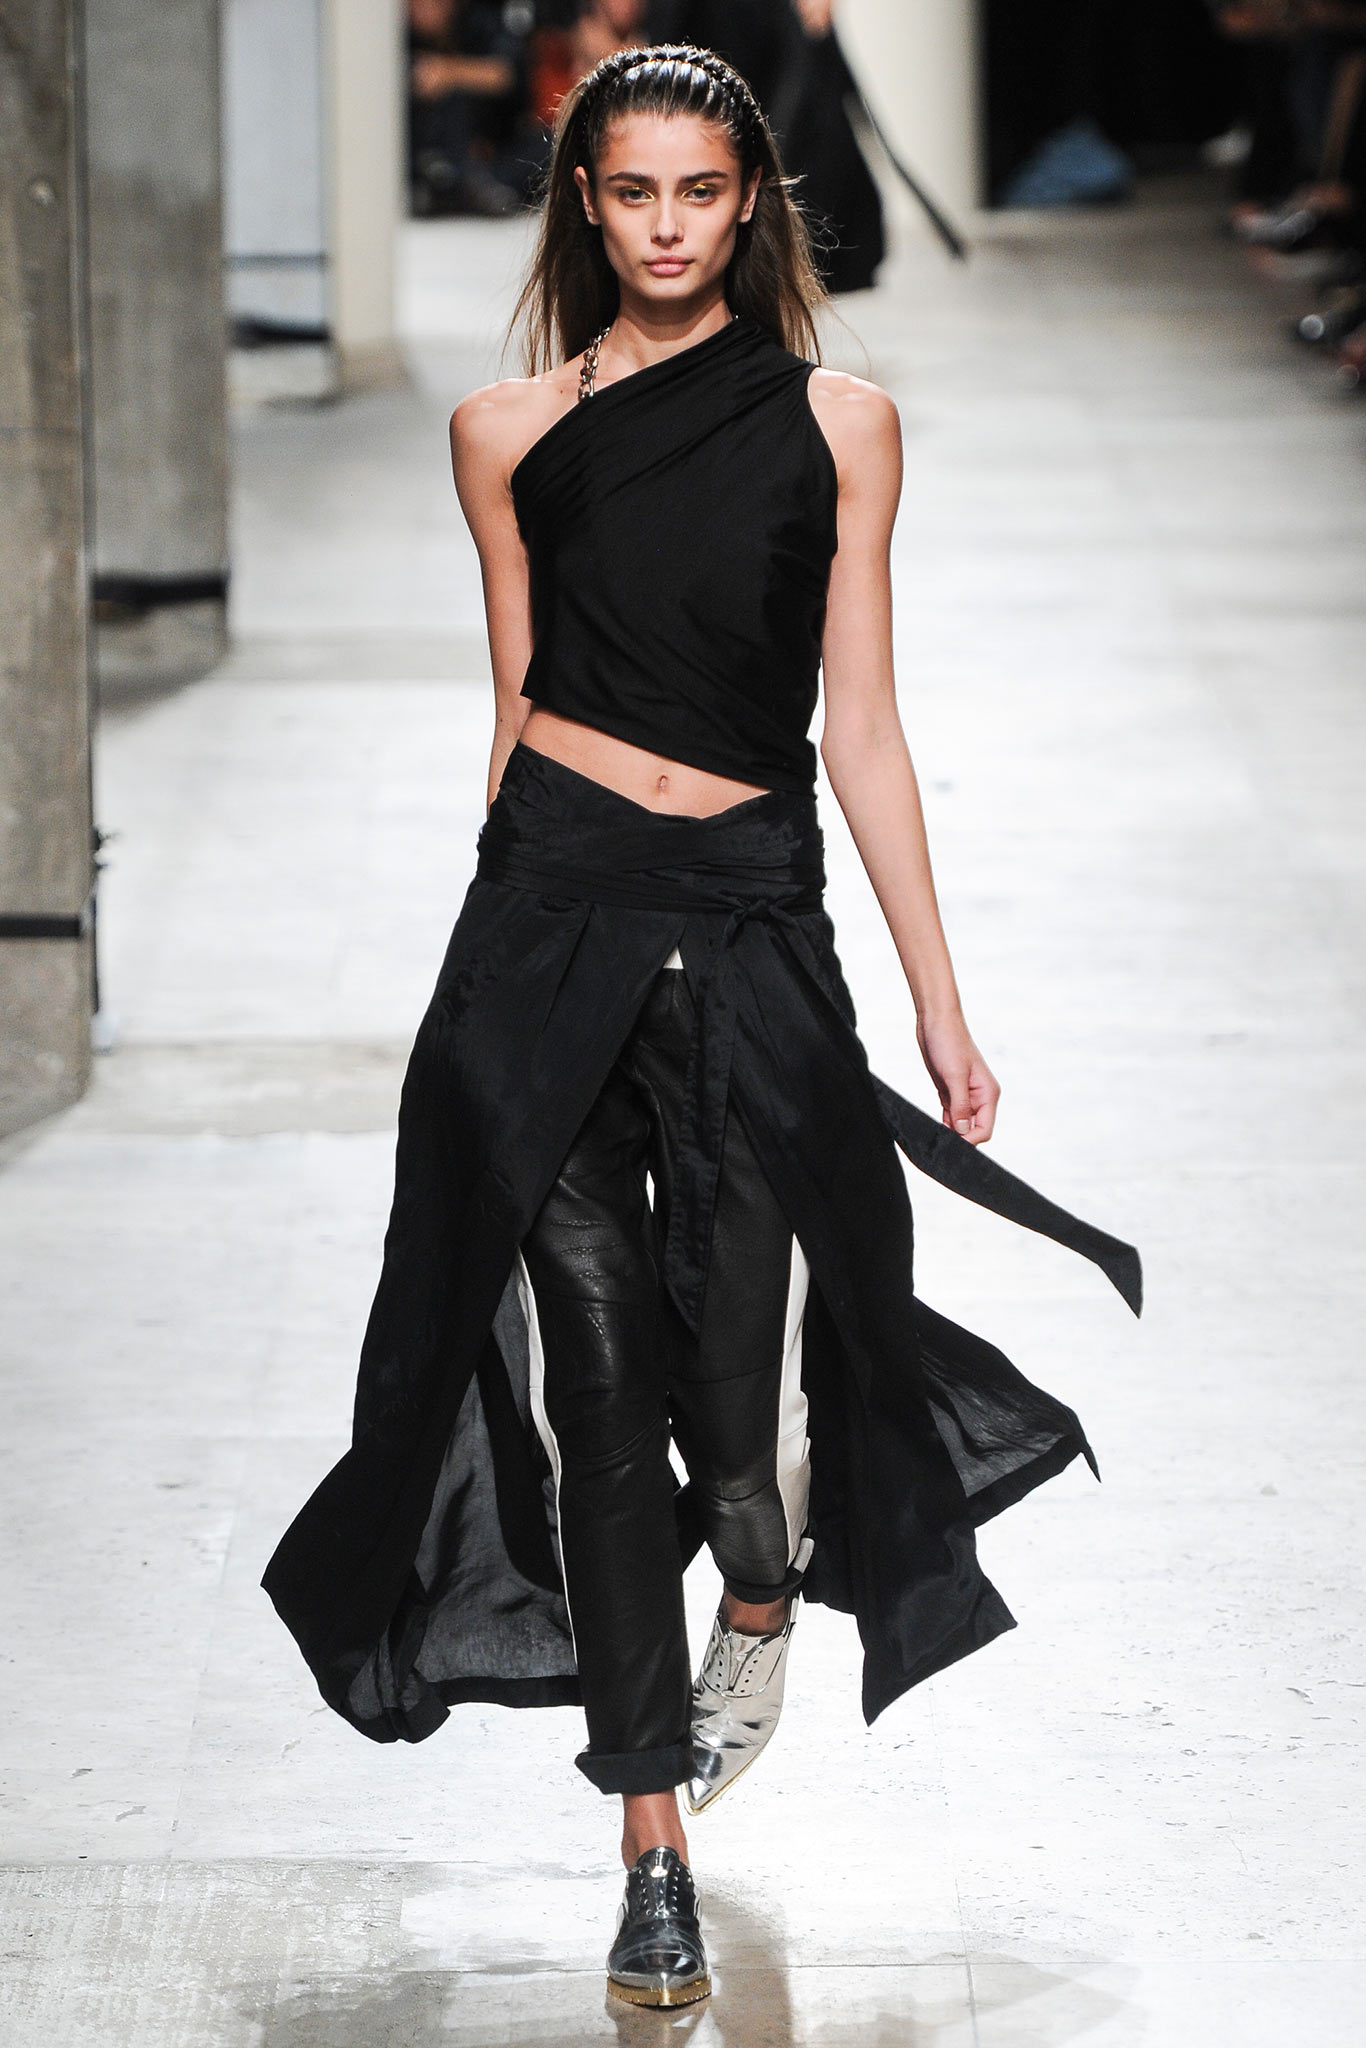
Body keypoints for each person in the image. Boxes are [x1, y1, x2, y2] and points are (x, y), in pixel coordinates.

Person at [263, 43, 1140, 2011]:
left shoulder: (842, 425)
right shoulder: (504, 431)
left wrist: (934, 999)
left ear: (749, 205)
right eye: (631, 191)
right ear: (585, 205)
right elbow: (514, 709)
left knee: (732, 1431)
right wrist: (486, 978)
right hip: (547, 926)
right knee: (594, 1394)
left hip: (747, 924)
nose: (665, 225)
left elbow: (864, 728)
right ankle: (647, 1836)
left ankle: (758, 1574)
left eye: (699, 192)